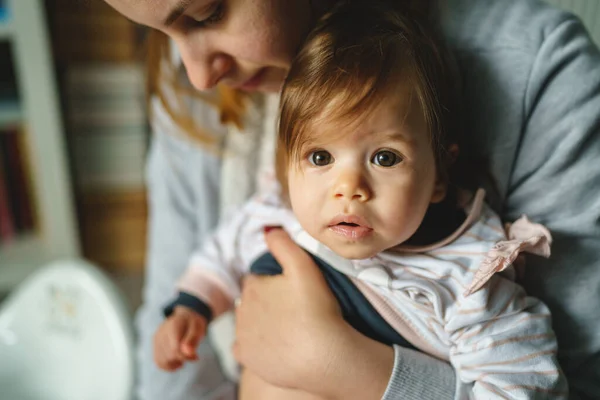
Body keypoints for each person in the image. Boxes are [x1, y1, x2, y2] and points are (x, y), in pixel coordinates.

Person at [101, 0, 600, 398]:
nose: (197, 77)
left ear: (439, 177)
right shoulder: (282, 210)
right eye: (318, 158)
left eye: (209, 13)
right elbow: (221, 250)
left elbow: (535, 385)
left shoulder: (471, 281)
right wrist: (191, 306)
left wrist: (346, 367)